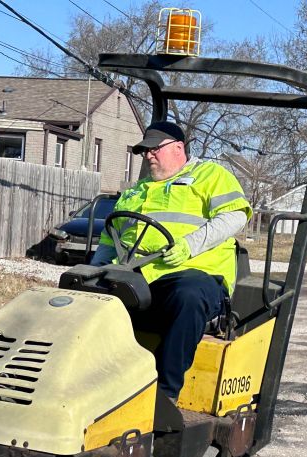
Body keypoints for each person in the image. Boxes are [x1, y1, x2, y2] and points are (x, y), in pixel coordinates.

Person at [90, 120, 252, 401]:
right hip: (135, 277)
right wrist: (92, 273)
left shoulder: (210, 175)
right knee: (79, 296)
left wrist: (189, 246)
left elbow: (234, 215)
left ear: (179, 148)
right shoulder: (136, 191)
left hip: (193, 273)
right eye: (145, 151)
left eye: (154, 149)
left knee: (187, 296)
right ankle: (84, 386)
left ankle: (165, 395)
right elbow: (109, 238)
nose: (148, 155)